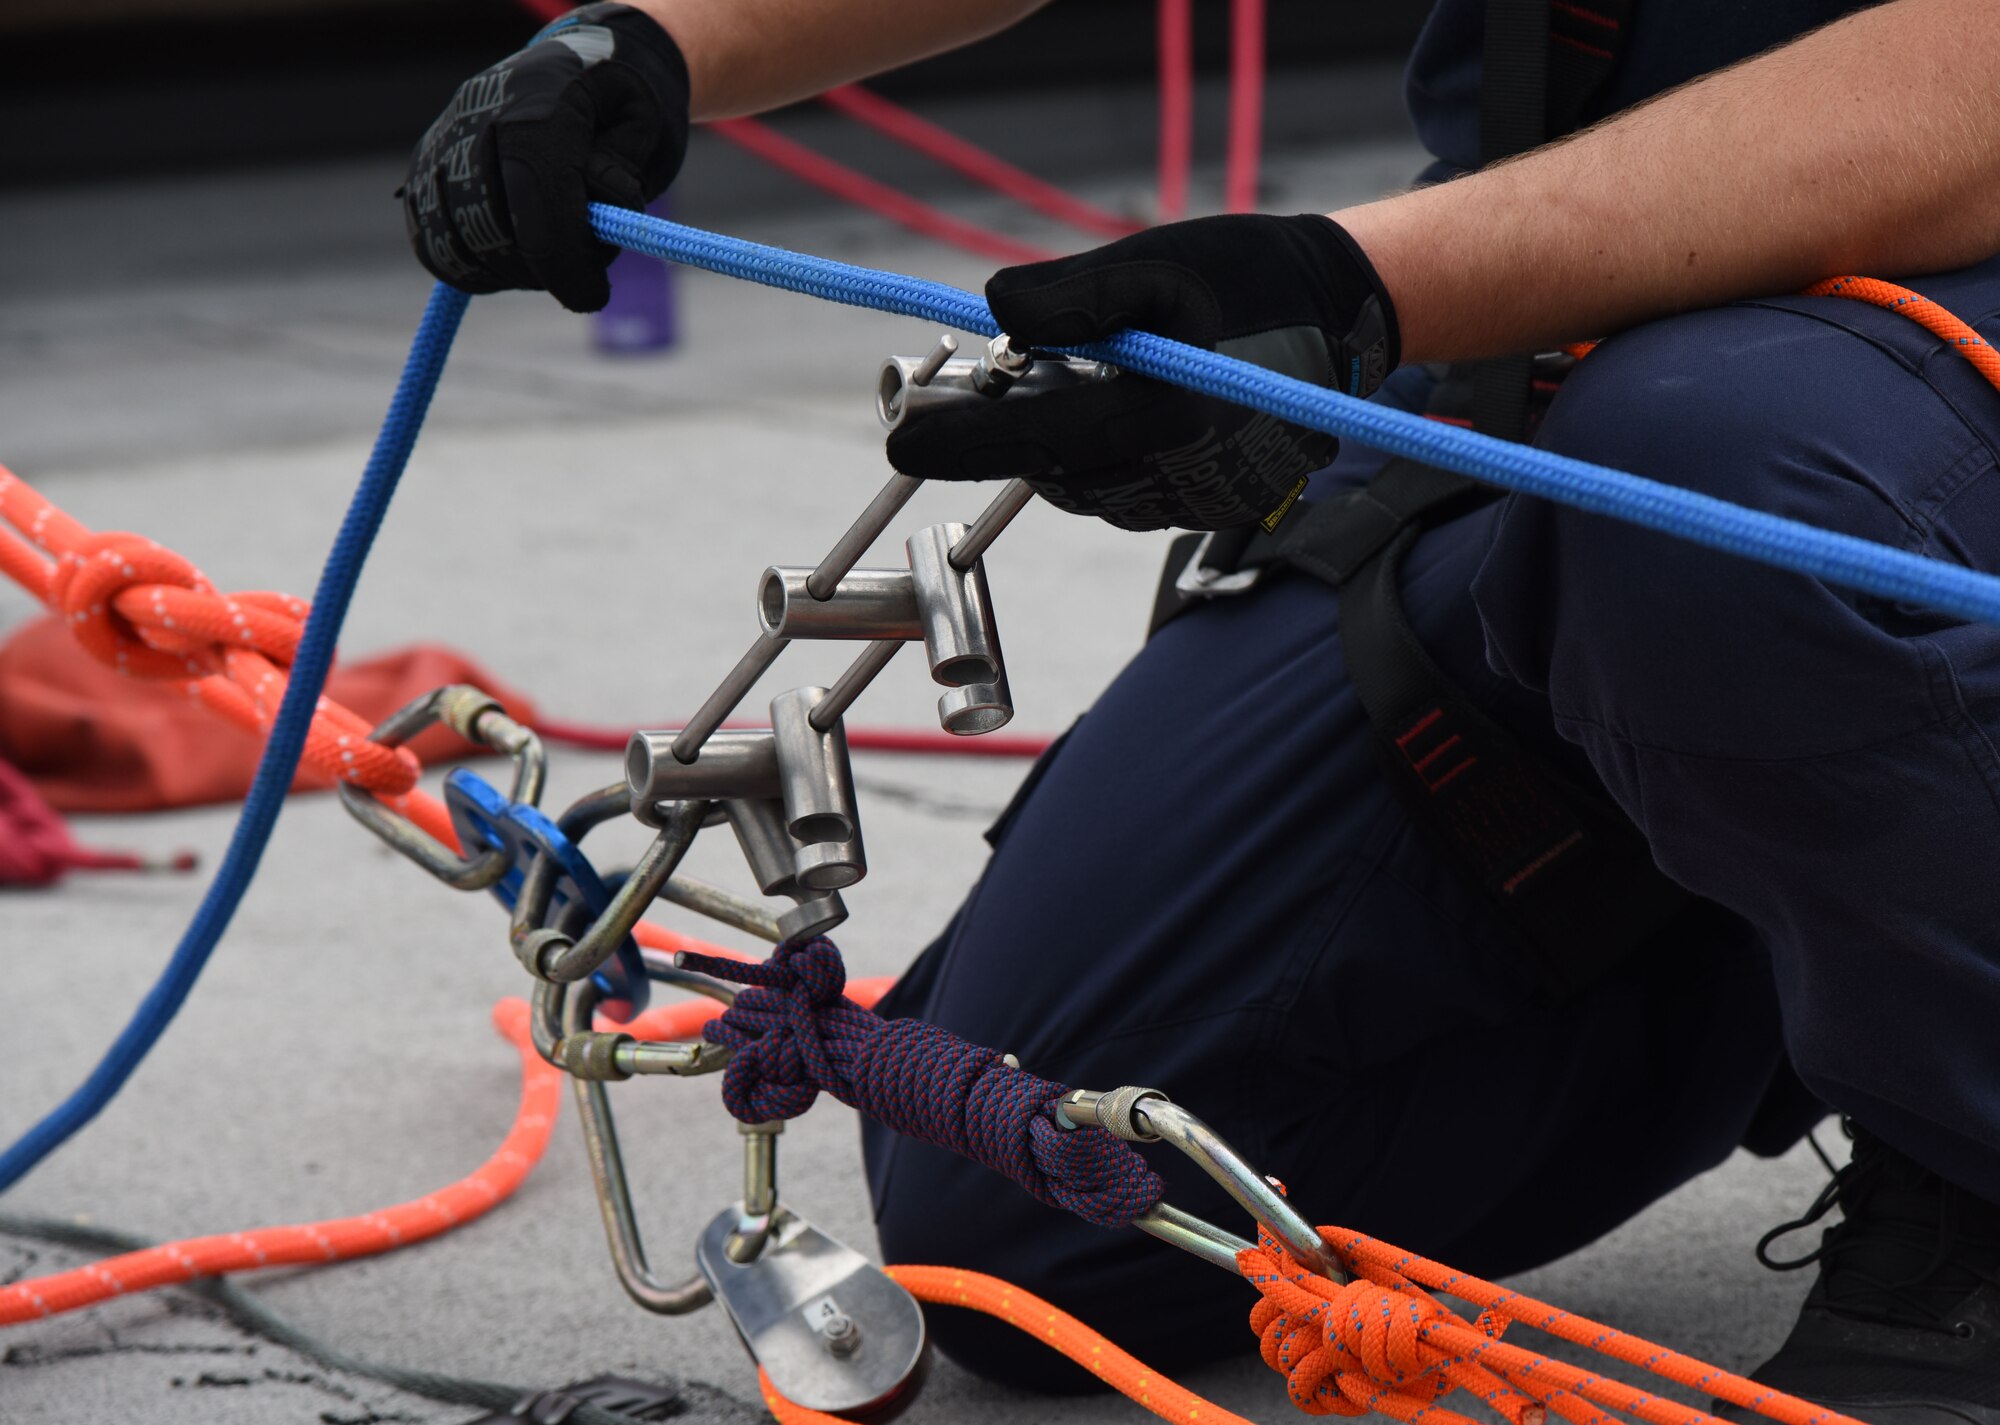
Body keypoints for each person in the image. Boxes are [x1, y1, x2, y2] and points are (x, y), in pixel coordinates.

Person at [402, 2, 2000, 1418]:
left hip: (1880, 357)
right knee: (1032, 1210)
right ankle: (1830, 882)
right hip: (1542, 370)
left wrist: (1350, 284)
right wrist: (661, 45)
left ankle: (1968, 1156)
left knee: (1697, 482)